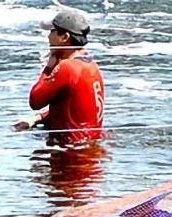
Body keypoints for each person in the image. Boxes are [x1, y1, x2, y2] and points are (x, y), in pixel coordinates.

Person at [14, 7, 105, 145]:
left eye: (52, 31)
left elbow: (35, 101)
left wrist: (49, 67)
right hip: (89, 145)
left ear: (64, 37)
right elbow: (75, 110)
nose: (48, 37)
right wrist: (37, 118)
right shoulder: (90, 64)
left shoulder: (67, 67)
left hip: (71, 150)